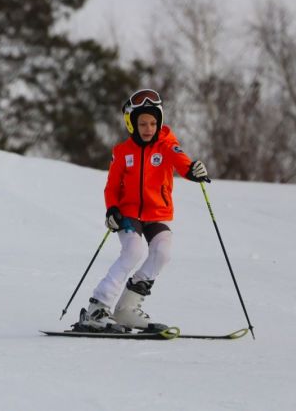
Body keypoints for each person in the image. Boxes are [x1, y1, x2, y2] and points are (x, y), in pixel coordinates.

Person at [76, 89, 210, 332]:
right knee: (134, 251)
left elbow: (182, 162)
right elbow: (111, 187)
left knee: (163, 253)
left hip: (156, 214)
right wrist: (112, 210)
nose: (148, 128)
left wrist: (193, 171)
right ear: (132, 124)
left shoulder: (167, 145)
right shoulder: (122, 152)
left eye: (152, 123)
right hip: (128, 215)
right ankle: (98, 308)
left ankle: (127, 308)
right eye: (142, 123)